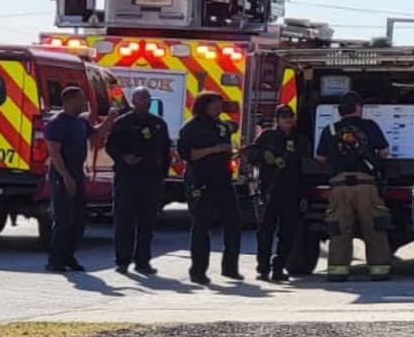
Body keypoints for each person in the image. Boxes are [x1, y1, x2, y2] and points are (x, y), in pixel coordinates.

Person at [316, 91, 392, 282]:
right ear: (358, 108)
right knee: (374, 228)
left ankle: (338, 272)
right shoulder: (370, 126)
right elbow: (384, 152)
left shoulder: (330, 129)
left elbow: (320, 157)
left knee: (339, 230)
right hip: (366, 185)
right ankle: (379, 271)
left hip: (339, 186)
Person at [43, 85, 118, 273]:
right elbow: (55, 153)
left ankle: (69, 256)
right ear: (69, 101)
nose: (84, 102)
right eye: (81, 98)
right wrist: (66, 177)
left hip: (77, 173)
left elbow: (97, 135)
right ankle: (55, 260)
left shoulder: (81, 122)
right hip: (62, 175)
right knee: (63, 220)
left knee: (78, 220)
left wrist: (110, 118)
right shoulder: (56, 122)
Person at [178, 91, 243, 284]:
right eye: (214, 104)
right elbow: (187, 154)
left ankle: (230, 268)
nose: (218, 108)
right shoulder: (192, 127)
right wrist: (214, 150)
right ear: (203, 105)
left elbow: (226, 146)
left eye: (219, 104)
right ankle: (198, 271)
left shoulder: (221, 126)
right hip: (200, 181)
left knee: (234, 223)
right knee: (201, 226)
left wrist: (235, 154)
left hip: (223, 181)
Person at [105, 86, 172, 274]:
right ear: (133, 102)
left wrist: (162, 176)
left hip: (151, 180)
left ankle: (143, 262)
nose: (145, 102)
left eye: (148, 99)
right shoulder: (122, 123)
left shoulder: (158, 124)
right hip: (127, 180)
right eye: (142, 99)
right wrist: (124, 157)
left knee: (147, 224)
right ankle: (122, 261)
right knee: (125, 223)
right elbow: (110, 146)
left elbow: (165, 152)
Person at [248, 105, 310, 282]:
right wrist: (263, 154)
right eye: (284, 117)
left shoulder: (301, 140)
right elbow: (251, 155)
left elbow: (304, 170)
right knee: (265, 232)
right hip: (269, 191)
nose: (288, 120)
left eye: (290, 117)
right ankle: (263, 268)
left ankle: (279, 267)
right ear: (277, 119)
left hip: (292, 192)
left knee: (288, 233)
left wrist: (305, 195)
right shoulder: (267, 136)